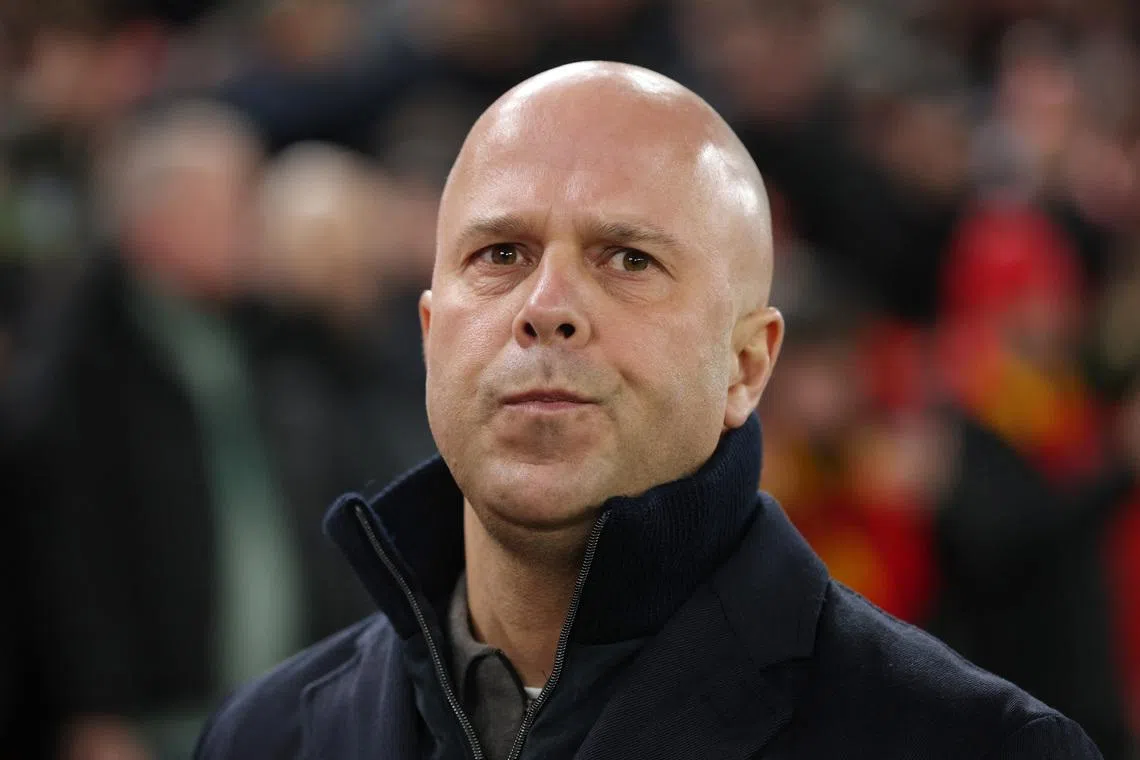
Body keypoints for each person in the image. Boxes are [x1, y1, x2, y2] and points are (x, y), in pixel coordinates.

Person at [195, 62, 1102, 760]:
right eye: (501, 252)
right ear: (433, 334)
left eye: (627, 259)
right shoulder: (263, 737)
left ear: (747, 367)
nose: (547, 304)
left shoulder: (971, 746)